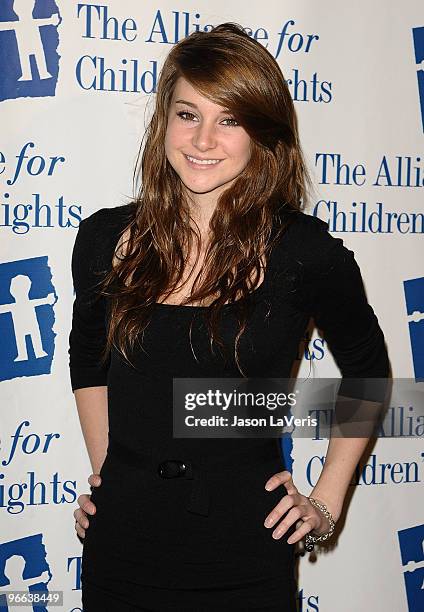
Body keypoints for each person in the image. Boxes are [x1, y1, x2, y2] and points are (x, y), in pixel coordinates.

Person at [69, 22, 390, 611]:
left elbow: (368, 370)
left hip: (246, 547)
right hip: (122, 544)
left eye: (230, 119)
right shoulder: (103, 239)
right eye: (188, 114)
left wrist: (325, 502)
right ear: (164, 118)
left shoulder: (304, 252)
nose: (204, 139)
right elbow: (88, 360)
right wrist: (105, 471)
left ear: (261, 134)